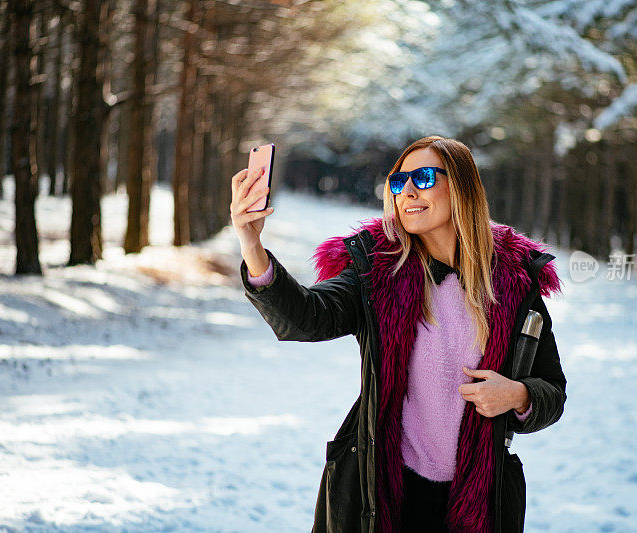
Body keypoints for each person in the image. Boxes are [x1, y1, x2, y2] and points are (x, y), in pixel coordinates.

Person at [229, 136, 567, 533]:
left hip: (479, 499)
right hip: (383, 493)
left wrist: (517, 395)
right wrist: (251, 244)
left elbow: (552, 392)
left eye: (422, 177)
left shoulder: (514, 281)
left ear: (460, 187)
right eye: (397, 181)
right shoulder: (378, 271)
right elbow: (305, 317)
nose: (406, 191)